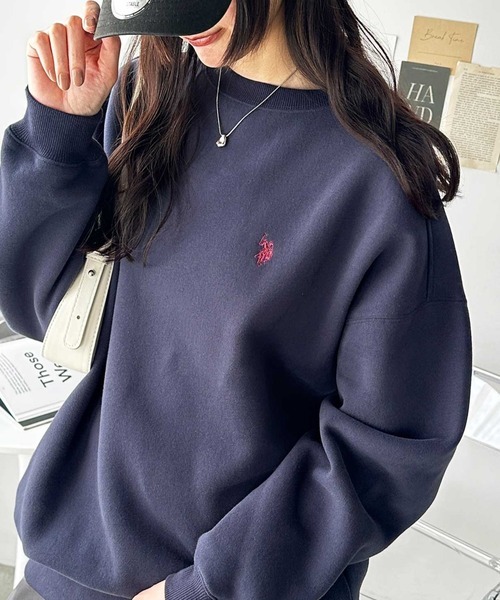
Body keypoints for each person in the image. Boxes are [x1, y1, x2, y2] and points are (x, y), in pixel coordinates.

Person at [0, 0, 473, 598]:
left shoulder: (378, 184)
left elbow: (387, 454)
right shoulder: (150, 100)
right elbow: (42, 310)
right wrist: (57, 137)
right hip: (66, 569)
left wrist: (207, 588)